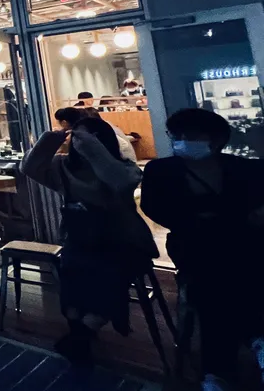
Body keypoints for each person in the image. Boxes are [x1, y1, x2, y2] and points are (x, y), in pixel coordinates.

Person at [140, 109, 264, 390]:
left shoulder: (247, 168)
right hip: (196, 247)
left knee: (233, 285)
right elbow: (155, 207)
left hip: (246, 246)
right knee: (214, 288)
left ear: (217, 139)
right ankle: (248, 346)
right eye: (177, 135)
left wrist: (209, 215)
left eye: (190, 135)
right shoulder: (161, 171)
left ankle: (217, 371)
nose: (182, 141)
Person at [20, 114, 158, 364]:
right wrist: (48, 141)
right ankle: (80, 332)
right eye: (79, 138)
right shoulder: (63, 167)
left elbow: (118, 181)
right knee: (73, 274)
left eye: (91, 139)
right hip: (80, 238)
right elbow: (29, 168)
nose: (82, 143)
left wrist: (92, 149)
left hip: (123, 240)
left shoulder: (123, 168)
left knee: (109, 274)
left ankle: (82, 334)